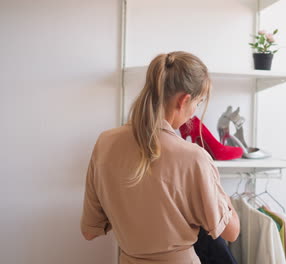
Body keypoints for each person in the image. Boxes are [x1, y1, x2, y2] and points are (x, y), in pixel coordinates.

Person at [80, 51, 240, 264]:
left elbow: (89, 231)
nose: (194, 113)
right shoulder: (194, 157)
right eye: (198, 103)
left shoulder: (104, 143)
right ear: (184, 100)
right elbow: (232, 232)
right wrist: (224, 198)